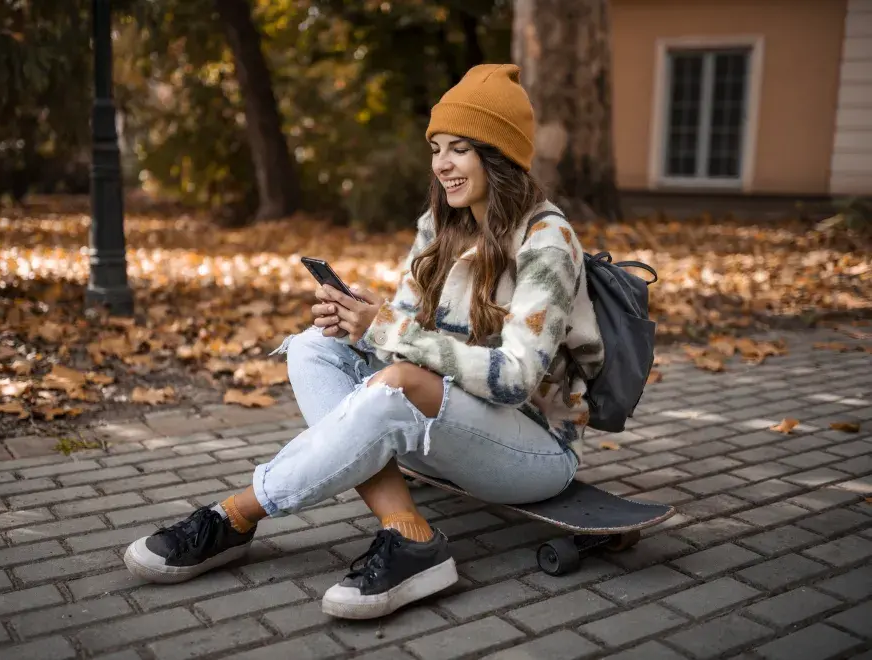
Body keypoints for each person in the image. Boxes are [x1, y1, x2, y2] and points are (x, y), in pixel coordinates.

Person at [123, 63, 604, 620]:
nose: (441, 164)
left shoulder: (548, 239)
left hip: (536, 451)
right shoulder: (440, 226)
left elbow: (513, 377)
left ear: (499, 156)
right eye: (436, 148)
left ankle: (234, 515)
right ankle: (409, 532)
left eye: (460, 149)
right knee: (312, 347)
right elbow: (400, 332)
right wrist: (359, 320)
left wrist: (388, 331)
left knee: (394, 384)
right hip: (449, 428)